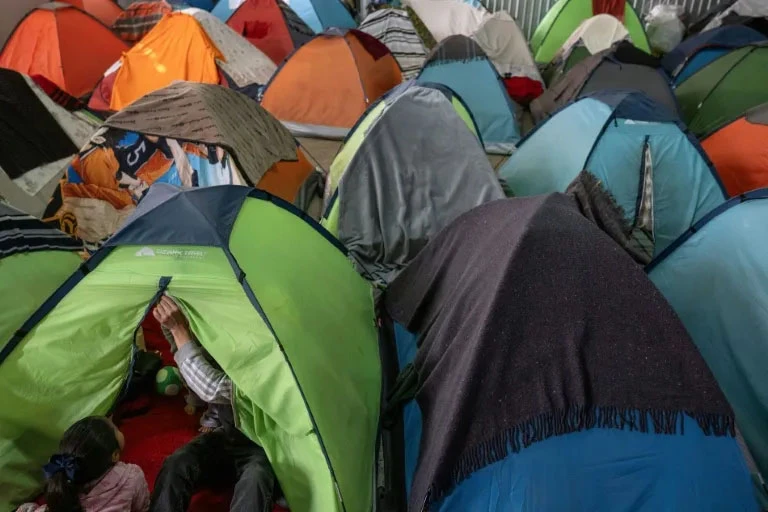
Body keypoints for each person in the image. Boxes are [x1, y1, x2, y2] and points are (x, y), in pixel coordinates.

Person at [150, 295, 278, 512]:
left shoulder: (267, 352)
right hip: (227, 435)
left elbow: (213, 388)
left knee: (256, 479)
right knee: (177, 464)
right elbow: (195, 381)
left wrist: (179, 331)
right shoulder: (219, 342)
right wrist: (176, 330)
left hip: (263, 445)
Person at [17, 416, 149, 512]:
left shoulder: (64, 484)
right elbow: (143, 507)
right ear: (114, 455)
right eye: (114, 428)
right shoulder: (132, 476)